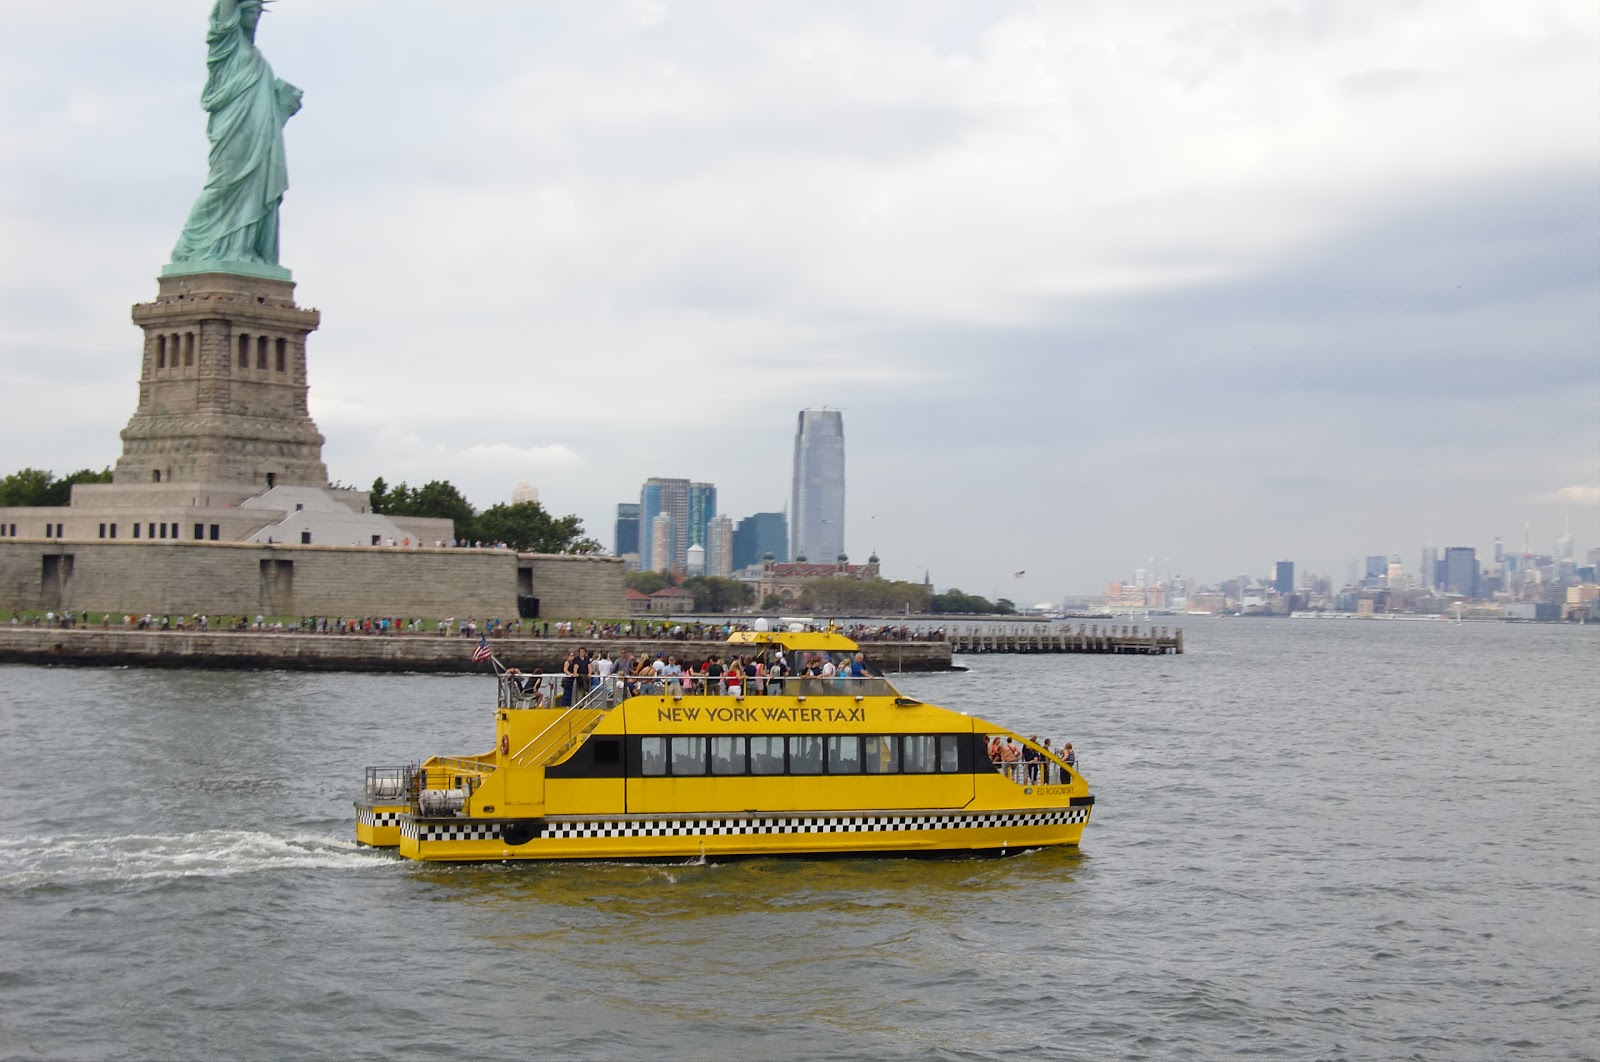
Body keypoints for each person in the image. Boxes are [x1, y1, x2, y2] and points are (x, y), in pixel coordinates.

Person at [170, 0, 303, 272]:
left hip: (261, 135)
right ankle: (191, 247)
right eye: (251, 12)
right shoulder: (226, 44)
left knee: (253, 187)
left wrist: (284, 107)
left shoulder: (258, 58)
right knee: (225, 183)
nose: (255, 18)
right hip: (233, 130)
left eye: (258, 14)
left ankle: (243, 249)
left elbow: (264, 108)